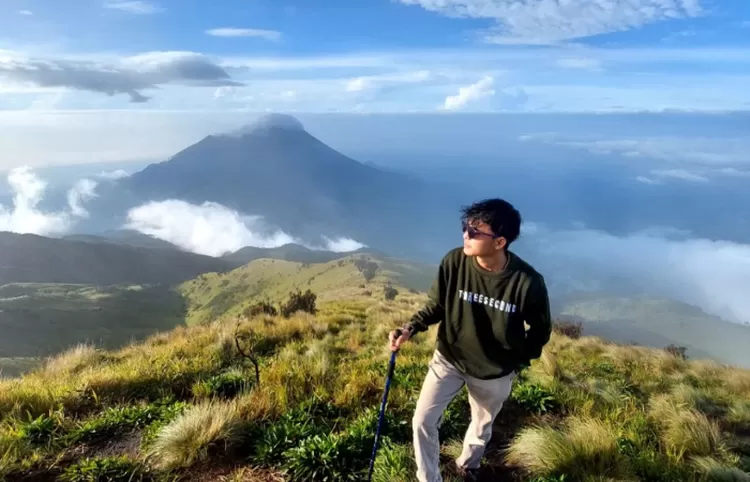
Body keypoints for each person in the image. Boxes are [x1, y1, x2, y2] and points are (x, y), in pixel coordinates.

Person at [388, 198, 552, 482]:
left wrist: (517, 361)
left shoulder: (526, 282)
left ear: (500, 242)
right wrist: (409, 329)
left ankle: (468, 465)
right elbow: (436, 305)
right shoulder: (454, 262)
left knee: (481, 425)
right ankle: (429, 479)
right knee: (422, 421)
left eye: (476, 231)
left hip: (494, 371)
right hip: (449, 358)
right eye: (466, 227)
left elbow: (540, 330)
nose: (466, 234)